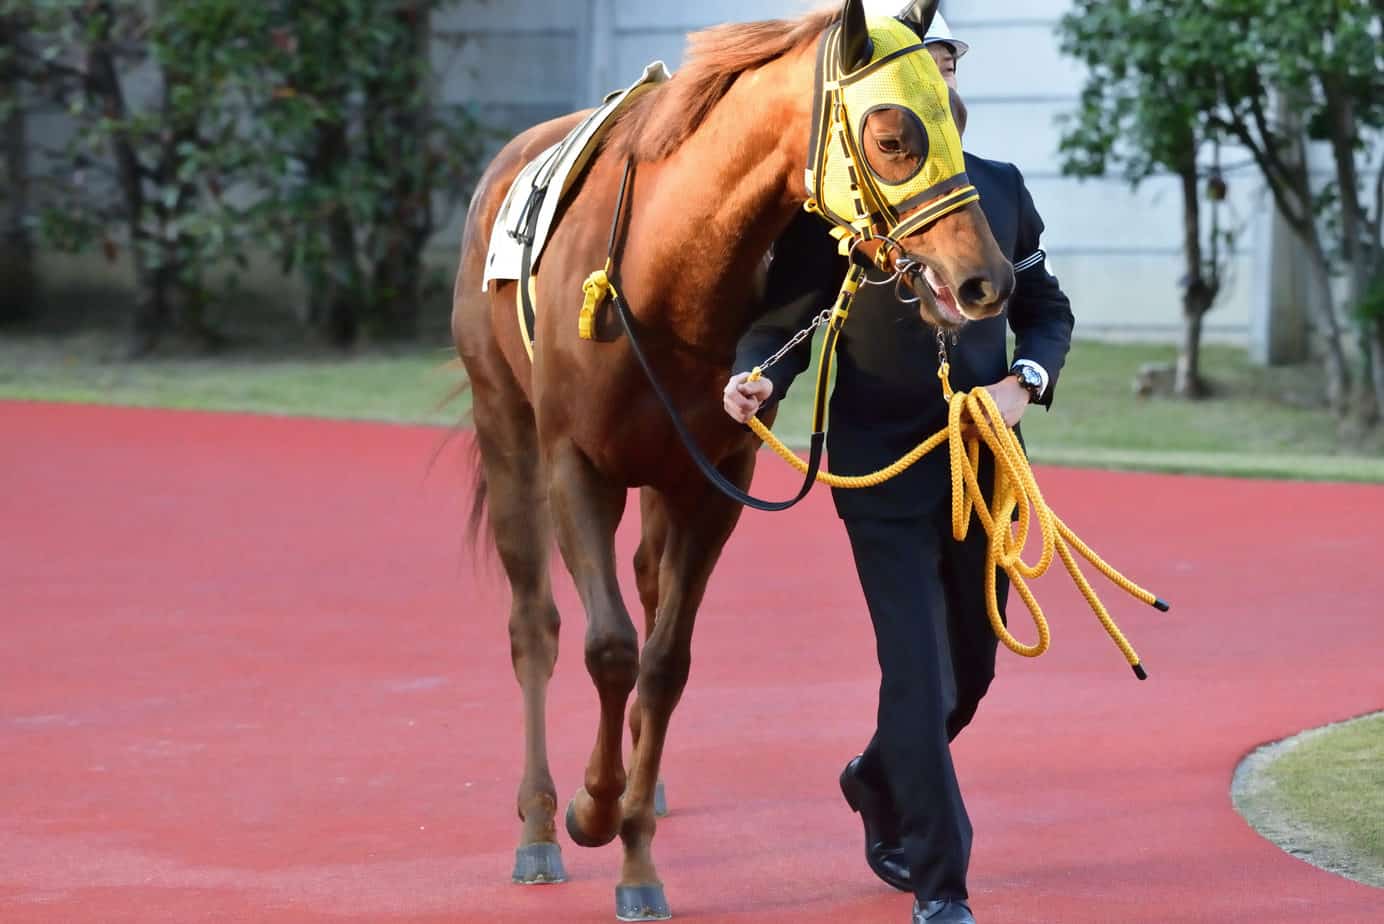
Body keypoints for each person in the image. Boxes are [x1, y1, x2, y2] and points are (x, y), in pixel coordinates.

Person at [721, 6, 1075, 923]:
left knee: (972, 673)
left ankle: (877, 778)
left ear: (955, 74)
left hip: (984, 468)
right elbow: (781, 324)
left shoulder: (1000, 188)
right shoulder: (837, 206)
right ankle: (941, 882)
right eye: (921, 64)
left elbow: (1046, 308)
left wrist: (1024, 382)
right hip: (880, 471)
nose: (937, 76)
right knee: (918, 673)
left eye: (946, 59)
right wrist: (755, 376)